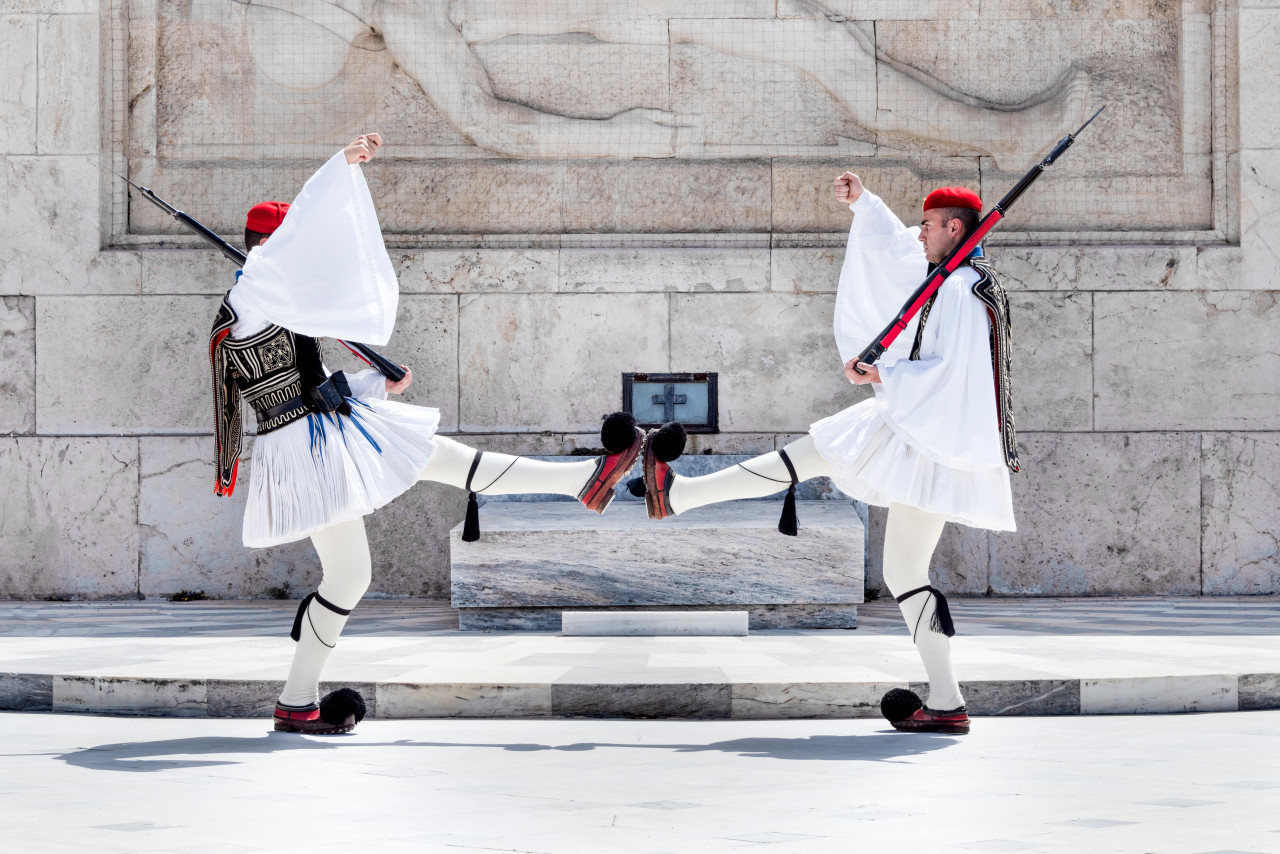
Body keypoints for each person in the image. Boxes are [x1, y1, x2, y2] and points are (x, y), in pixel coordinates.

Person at [211, 133, 643, 734]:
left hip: (316, 435)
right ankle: (582, 479)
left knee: (412, 495)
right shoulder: (261, 291)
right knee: (384, 533)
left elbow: (298, 381)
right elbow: (288, 369)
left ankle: (295, 701)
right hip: (309, 447)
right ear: (272, 246)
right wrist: (339, 165)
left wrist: (373, 383)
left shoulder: (261, 298)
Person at [633, 172, 1020, 735]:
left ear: (955, 229)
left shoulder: (962, 290)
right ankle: (946, 700)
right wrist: (865, 204)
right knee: (903, 570)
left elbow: (952, 375)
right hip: (934, 439)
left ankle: (682, 495)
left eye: (929, 226)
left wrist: (881, 373)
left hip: (930, 433)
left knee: (820, 450)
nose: (919, 235)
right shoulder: (961, 278)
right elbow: (895, 251)